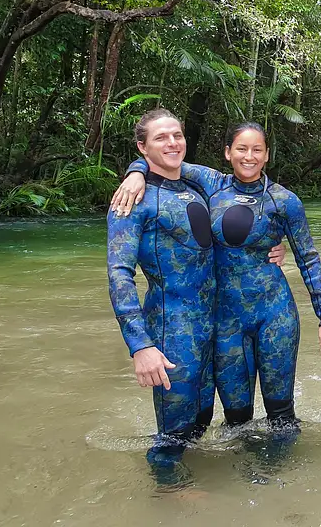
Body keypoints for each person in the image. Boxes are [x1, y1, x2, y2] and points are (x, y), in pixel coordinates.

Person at [112, 121, 321, 432]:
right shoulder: (210, 183)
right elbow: (162, 158)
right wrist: (134, 173)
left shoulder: (284, 201)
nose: (249, 156)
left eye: (257, 149)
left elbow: (308, 259)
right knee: (236, 420)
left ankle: (281, 475)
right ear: (228, 152)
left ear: (267, 155)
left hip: (275, 312)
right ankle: (236, 477)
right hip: (224, 319)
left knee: (281, 414)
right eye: (241, 149)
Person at [106, 109, 285, 487]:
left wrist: (271, 245)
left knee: (201, 423)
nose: (172, 143)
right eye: (160, 138)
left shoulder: (199, 184)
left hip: (212, 327)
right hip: (172, 330)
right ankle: (173, 493)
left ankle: (207, 484)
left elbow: (249, 196)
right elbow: (119, 275)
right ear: (142, 146)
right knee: (172, 434)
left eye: (177, 135)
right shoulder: (131, 201)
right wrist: (140, 346)